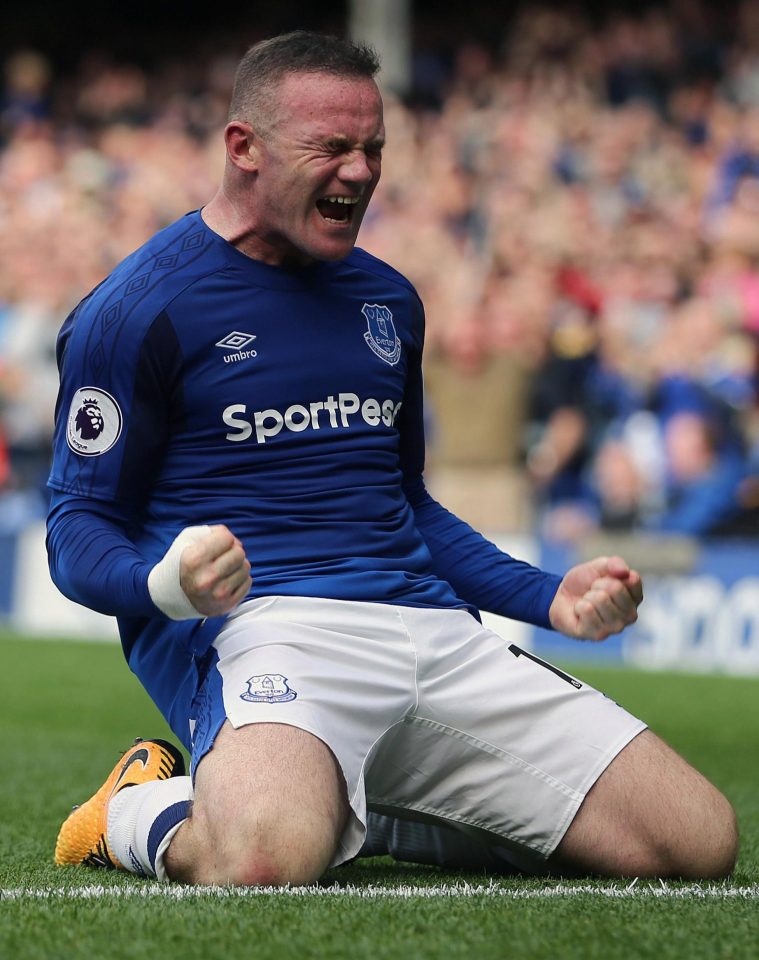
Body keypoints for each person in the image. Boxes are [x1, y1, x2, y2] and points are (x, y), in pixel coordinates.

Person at [48, 31, 737, 886]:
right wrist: (167, 586)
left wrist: (545, 596)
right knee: (262, 861)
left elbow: (403, 502)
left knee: (695, 844)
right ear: (243, 148)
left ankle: (353, 813)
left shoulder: (387, 300)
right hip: (269, 631)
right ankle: (131, 810)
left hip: (435, 630)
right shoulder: (136, 309)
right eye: (331, 147)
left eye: (372, 148)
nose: (360, 171)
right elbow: (76, 527)